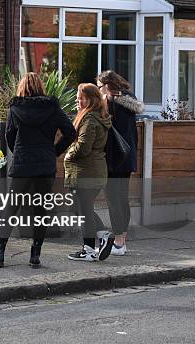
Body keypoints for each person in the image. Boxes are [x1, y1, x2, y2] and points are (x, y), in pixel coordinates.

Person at [0, 72, 75, 268]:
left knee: (10, 209)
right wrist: (53, 151)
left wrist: (19, 152)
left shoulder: (16, 108)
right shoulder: (53, 107)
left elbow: (9, 135)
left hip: (23, 163)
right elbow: (70, 133)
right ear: (41, 86)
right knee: (40, 209)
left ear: (22, 87)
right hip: (45, 164)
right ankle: (35, 255)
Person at [65, 83, 114, 262]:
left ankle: (88, 250)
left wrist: (68, 153)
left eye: (81, 97)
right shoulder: (95, 117)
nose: (78, 100)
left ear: (91, 100)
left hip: (85, 172)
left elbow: (84, 147)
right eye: (78, 96)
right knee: (79, 208)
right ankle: (103, 235)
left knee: (83, 210)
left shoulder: (90, 119)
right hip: (91, 170)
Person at [97, 71, 144, 255]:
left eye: (100, 87)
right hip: (127, 157)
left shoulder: (110, 103)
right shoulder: (129, 101)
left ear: (108, 86)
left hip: (113, 158)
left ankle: (118, 242)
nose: (99, 90)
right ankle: (122, 240)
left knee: (113, 200)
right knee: (122, 199)